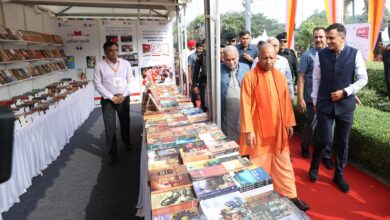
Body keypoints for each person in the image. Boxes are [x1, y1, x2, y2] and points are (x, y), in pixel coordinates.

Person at [239, 43, 309, 211]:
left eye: (272, 58)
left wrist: (289, 122)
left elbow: (285, 102)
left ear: (276, 58)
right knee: (257, 167)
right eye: (265, 57)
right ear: (258, 57)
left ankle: (291, 195)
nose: (268, 61)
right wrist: (248, 131)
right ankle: (257, 199)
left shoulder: (279, 77)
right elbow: (245, 106)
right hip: (258, 132)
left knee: (284, 164)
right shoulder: (249, 77)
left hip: (278, 131)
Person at [309, 23, 368, 193]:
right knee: (323, 139)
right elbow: (316, 79)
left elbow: (363, 79)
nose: (327, 41)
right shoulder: (321, 55)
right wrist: (315, 101)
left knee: (343, 142)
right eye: (326, 37)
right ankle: (314, 165)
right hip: (324, 104)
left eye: (331, 38)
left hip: (346, 105)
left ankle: (339, 174)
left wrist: (346, 91)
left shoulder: (354, 54)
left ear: (342, 38)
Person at [297, 27, 335, 166]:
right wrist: (300, 98)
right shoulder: (307, 55)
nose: (318, 39)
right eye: (316, 37)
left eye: (321, 37)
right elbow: (300, 77)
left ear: (326, 38)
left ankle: (327, 154)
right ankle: (305, 146)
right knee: (311, 125)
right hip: (311, 98)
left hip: (329, 99)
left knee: (330, 128)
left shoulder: (332, 54)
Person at [94, 41, 133, 165]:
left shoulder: (125, 63)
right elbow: (97, 84)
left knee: (125, 121)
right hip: (108, 100)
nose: (114, 52)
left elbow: (130, 80)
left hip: (123, 98)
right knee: (110, 127)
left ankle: (126, 142)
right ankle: (112, 153)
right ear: (105, 52)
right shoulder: (99, 65)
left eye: (116, 50)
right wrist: (112, 97)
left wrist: (123, 95)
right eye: (111, 50)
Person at [220, 45, 250, 142]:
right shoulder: (217, 70)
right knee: (229, 138)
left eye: (233, 59)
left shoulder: (246, 67)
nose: (231, 62)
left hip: (243, 110)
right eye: (228, 60)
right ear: (223, 58)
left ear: (238, 57)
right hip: (226, 111)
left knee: (244, 136)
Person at [193, 39, 208, 112]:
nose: (205, 46)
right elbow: (195, 72)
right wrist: (195, 85)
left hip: (214, 83)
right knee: (204, 101)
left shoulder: (217, 55)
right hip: (204, 83)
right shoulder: (200, 57)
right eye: (204, 45)